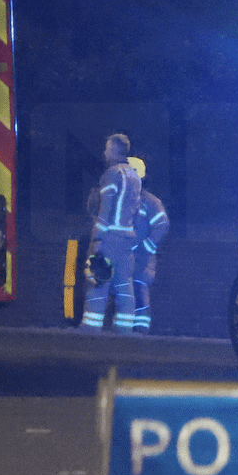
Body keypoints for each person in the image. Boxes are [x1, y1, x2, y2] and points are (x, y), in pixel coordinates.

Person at [81, 134, 141, 332]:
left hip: (109, 238)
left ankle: (90, 329)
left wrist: (98, 239)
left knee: (98, 282)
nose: (104, 152)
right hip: (127, 239)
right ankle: (124, 331)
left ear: (115, 151)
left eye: (107, 148)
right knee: (125, 286)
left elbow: (105, 210)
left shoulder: (111, 174)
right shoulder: (134, 176)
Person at [127, 156, 170, 334]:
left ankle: (140, 332)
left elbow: (162, 224)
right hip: (124, 256)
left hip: (142, 259)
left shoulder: (150, 202)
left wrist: (147, 247)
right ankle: (126, 329)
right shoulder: (122, 199)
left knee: (138, 287)